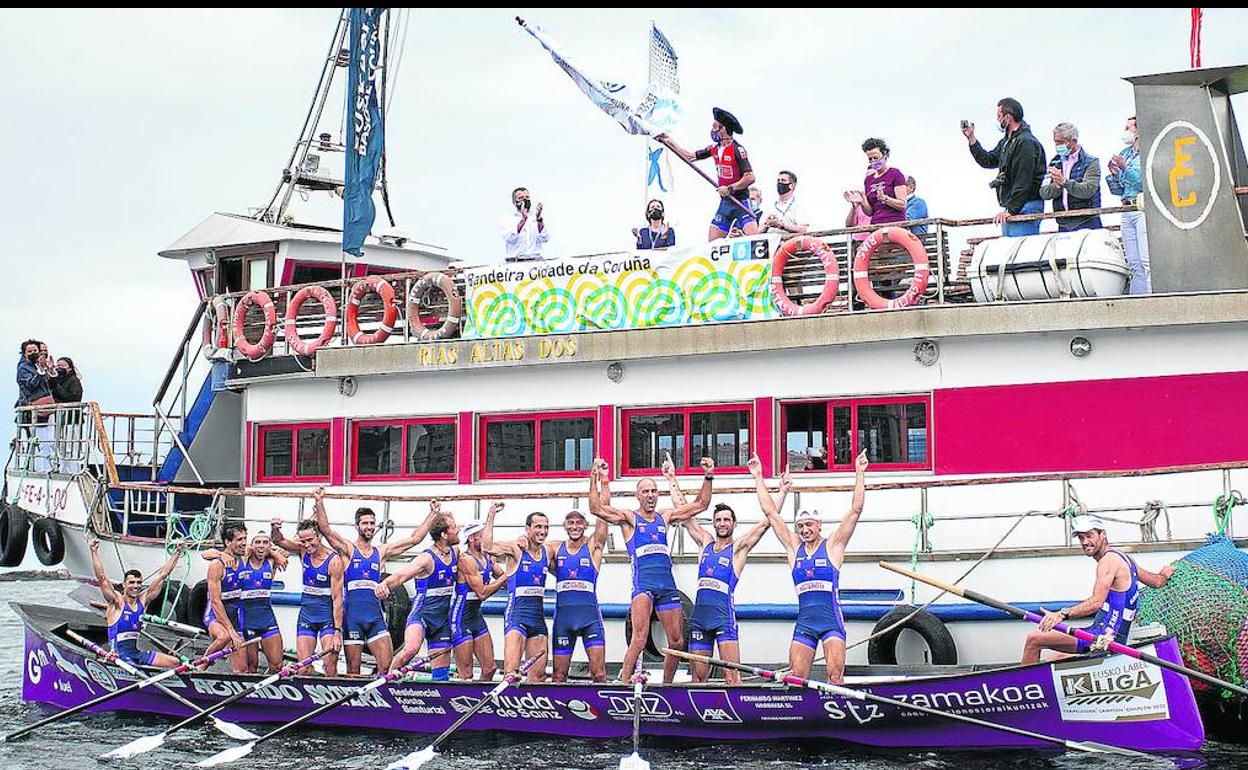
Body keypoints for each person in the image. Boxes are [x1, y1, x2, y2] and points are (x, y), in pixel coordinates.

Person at [588, 455, 714, 683]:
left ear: (658, 494)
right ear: (638, 495)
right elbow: (596, 508)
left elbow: (701, 505)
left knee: (677, 642)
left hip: (667, 587)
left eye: (653, 491)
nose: (650, 495)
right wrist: (597, 478)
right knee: (639, 638)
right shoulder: (630, 518)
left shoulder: (664, 517)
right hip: (643, 586)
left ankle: (666, 684)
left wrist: (708, 476)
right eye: (645, 491)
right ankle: (623, 683)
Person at [670, 455, 785, 684]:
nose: (722, 523)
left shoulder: (738, 549)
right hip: (700, 619)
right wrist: (671, 477)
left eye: (726, 520)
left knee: (732, 678)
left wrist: (779, 489)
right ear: (714, 523)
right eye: (718, 519)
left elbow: (767, 521)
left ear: (734, 524)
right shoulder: (705, 543)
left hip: (723, 619)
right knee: (698, 680)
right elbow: (684, 511)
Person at [759, 450, 869, 683]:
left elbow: (855, 510)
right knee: (797, 677)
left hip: (831, 623)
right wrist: (758, 476)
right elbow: (770, 513)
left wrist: (859, 473)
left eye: (809, 525)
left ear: (819, 526)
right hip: (805, 624)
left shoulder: (833, 546)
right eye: (800, 526)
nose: (804, 530)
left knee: (835, 677)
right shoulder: (793, 547)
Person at [313, 487, 439, 675]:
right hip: (352, 619)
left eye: (372, 523)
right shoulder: (348, 549)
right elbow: (326, 530)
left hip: (375, 618)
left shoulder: (381, 552)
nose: (369, 527)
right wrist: (319, 501)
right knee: (353, 671)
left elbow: (414, 539)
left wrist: (433, 514)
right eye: (365, 523)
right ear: (357, 526)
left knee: (386, 668)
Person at [1022, 515, 1175, 663]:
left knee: (1034, 640)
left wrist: (1061, 614)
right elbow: (1156, 582)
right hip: (1102, 632)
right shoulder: (1122, 556)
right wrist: (1164, 573)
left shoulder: (1107, 561)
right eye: (1081, 538)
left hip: (1104, 638)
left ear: (1103, 535)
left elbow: (1096, 602)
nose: (1085, 542)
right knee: (1056, 658)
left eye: (1089, 536)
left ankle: (1023, 686)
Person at [376, 506, 461, 680]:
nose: (458, 529)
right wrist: (384, 584)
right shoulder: (426, 558)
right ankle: (386, 681)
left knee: (441, 676)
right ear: (444, 534)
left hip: (442, 620)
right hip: (422, 615)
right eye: (454, 527)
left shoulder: (456, 552)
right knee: (410, 650)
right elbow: (401, 576)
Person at [659, 107, 758, 242]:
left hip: (741, 202)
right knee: (712, 244)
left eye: (715, 127)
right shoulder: (714, 148)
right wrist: (669, 141)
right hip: (726, 203)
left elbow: (750, 177)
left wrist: (730, 188)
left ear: (724, 129)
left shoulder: (737, 150)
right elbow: (689, 157)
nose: (713, 130)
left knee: (755, 241)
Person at [89, 538, 185, 668]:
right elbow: (101, 578)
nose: (136, 586)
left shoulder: (143, 599)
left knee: (175, 662)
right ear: (124, 585)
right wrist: (93, 551)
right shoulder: (117, 601)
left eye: (139, 582)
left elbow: (163, 574)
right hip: (119, 657)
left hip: (135, 654)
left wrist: (178, 552)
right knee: (136, 668)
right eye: (132, 583)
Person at [483, 507, 551, 683]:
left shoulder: (549, 551)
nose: (542, 531)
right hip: (517, 617)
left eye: (545, 527)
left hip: (538, 619)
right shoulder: (516, 549)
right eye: (537, 527)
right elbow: (487, 546)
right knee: (511, 674)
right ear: (527, 529)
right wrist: (491, 515)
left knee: (538, 677)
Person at [271, 518, 345, 676]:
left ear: (319, 537)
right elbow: (279, 540)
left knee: (329, 667)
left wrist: (338, 632)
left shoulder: (334, 561)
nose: (307, 545)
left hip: (328, 619)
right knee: (303, 668)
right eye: (303, 541)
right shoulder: (303, 551)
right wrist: (275, 528)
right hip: (307, 617)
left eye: (310, 540)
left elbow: (338, 599)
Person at [964, 97, 1047, 236]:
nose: (998, 120)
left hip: (1025, 205)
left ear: (1008, 117)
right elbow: (988, 160)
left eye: (999, 116)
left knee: (1023, 253)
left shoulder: (1025, 142)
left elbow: (1023, 179)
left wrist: (1011, 210)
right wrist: (972, 139)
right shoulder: (1007, 142)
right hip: (1013, 206)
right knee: (1011, 253)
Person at [549, 507, 610, 683]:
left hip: (589, 619)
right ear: (564, 525)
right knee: (558, 676)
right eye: (571, 522)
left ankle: (602, 708)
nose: (575, 526)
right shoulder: (555, 548)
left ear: (586, 525)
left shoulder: (593, 546)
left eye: (579, 522)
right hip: (563, 620)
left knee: (598, 674)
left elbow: (603, 518)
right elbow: (534, 548)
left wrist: (603, 487)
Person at [451, 512, 510, 681]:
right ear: (471, 538)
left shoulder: (488, 558)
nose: (486, 540)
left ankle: (478, 702)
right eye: (482, 536)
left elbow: (506, 580)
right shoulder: (466, 560)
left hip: (476, 616)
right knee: (466, 673)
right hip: (461, 618)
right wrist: (507, 576)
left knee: (490, 668)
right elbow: (482, 593)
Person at [235, 532, 289, 673]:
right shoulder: (243, 560)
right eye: (257, 542)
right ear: (251, 545)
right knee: (251, 666)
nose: (261, 545)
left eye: (265, 542)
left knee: (277, 665)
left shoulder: (271, 562)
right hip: (247, 620)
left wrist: (272, 551)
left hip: (267, 619)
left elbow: (291, 546)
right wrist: (269, 550)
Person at [1107, 116, 1150, 293]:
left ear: (1139, 130)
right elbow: (1117, 190)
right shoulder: (1125, 153)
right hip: (1126, 208)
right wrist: (1115, 175)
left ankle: (1154, 299)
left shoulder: (1147, 152)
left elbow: (1143, 182)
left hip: (1141, 208)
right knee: (1133, 262)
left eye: (1129, 127)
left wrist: (1125, 169)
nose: (1126, 131)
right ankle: (1138, 302)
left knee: (1146, 260)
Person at [1040, 122, 1102, 232]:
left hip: (1087, 221)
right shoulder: (1055, 162)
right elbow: (1044, 192)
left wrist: (1065, 182)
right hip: (1063, 223)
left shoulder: (1091, 162)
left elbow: (1088, 190)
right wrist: (1057, 186)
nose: (1057, 146)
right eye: (1055, 142)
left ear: (1073, 141)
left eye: (1060, 142)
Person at [203, 523, 248, 672]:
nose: (244, 543)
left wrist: (278, 555)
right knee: (224, 637)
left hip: (235, 614)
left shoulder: (245, 555)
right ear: (228, 542)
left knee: (241, 670)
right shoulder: (217, 565)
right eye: (239, 540)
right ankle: (200, 667)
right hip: (216, 615)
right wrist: (231, 631)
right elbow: (215, 602)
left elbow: (268, 549)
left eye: (245, 538)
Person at [859, 138, 909, 226]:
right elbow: (870, 212)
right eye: (870, 159)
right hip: (876, 225)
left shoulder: (895, 173)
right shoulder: (868, 180)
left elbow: (902, 205)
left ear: (884, 154)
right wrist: (862, 201)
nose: (873, 161)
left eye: (876, 158)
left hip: (895, 223)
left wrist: (885, 199)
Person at [50, 357, 84, 473]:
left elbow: (73, 398)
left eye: (63, 366)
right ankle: (63, 469)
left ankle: (73, 471)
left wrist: (56, 387)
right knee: (61, 446)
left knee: (71, 447)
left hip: (71, 420)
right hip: (60, 419)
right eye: (57, 366)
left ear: (69, 368)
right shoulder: (58, 380)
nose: (59, 368)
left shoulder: (74, 381)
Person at [502, 186, 549, 262]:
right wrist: (523, 220)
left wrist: (539, 220)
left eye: (527, 197)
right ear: (514, 202)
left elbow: (545, 238)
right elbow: (510, 237)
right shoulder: (508, 219)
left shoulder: (535, 217)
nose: (525, 200)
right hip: (515, 263)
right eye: (521, 198)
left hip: (536, 262)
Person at [762, 170, 810, 236]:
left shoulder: (798, 206)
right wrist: (767, 225)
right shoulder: (770, 206)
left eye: (783, 180)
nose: (780, 183)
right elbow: (758, 231)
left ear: (792, 185)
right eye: (778, 180)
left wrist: (781, 225)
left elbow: (803, 229)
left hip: (790, 243)